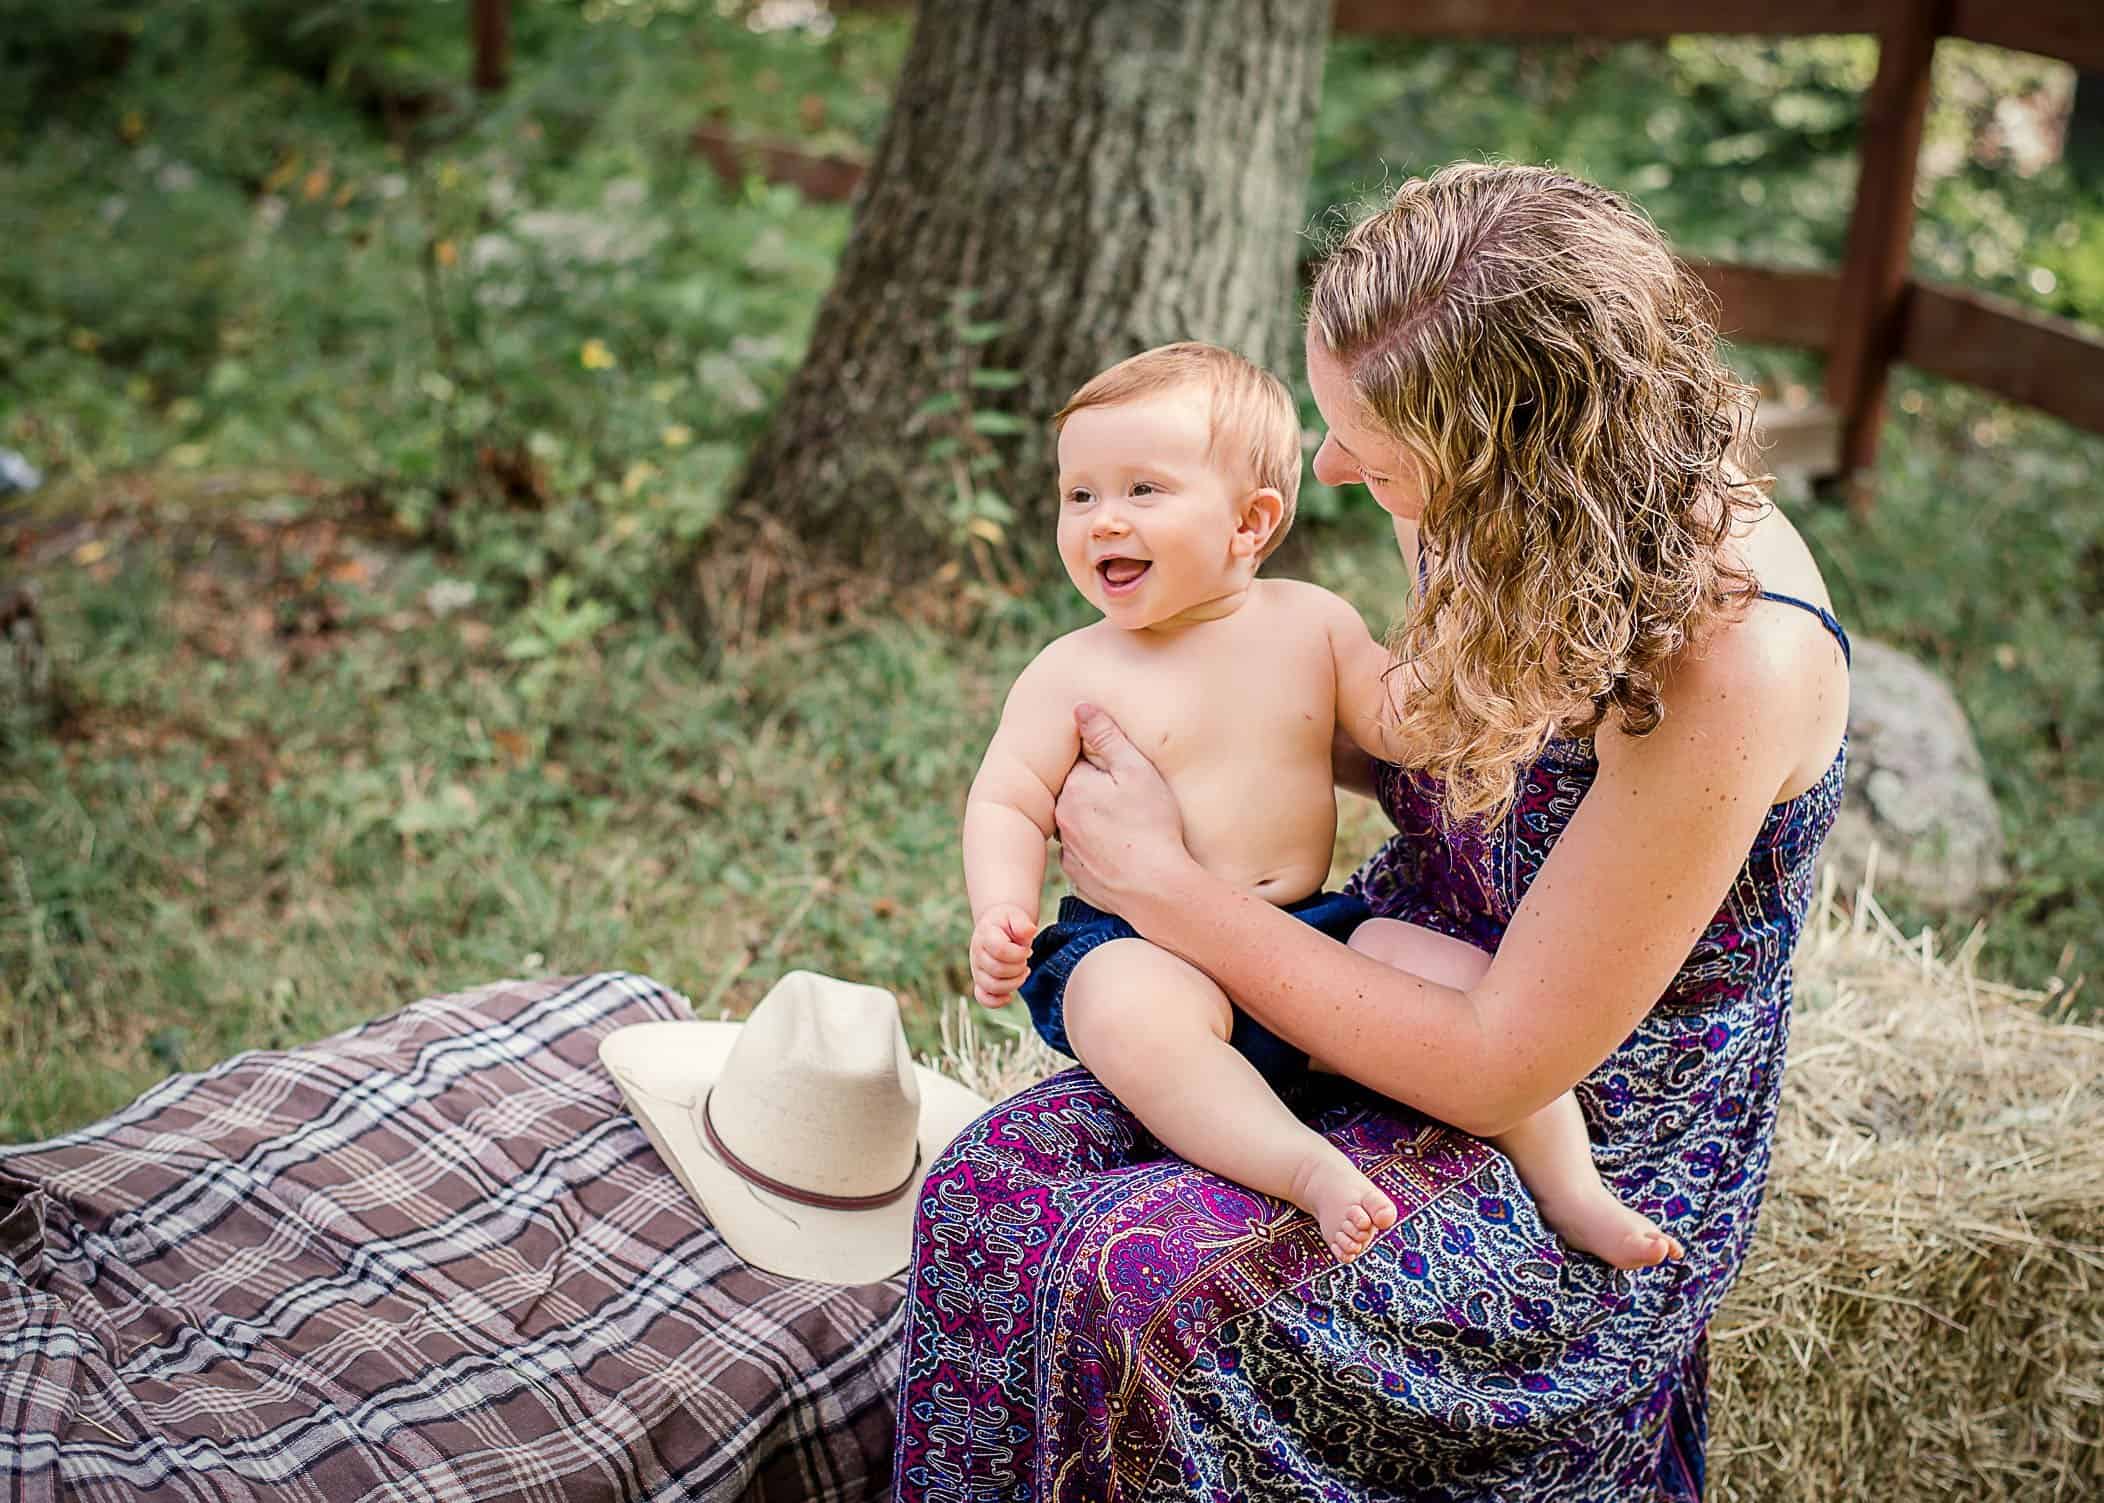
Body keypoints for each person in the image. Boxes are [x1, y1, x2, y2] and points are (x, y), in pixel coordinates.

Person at [895, 162, 1851, 1501]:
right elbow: (1415, 740)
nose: (1336, 468)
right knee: (992, 1187)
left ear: (1526, 453)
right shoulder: (1505, 513)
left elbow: (1498, 1060)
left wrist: (1164, 882)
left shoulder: (1735, 668)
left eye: (1375, 450)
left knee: (1150, 1283)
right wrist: (1208, 728)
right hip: (1373, 954)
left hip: (1574, 1097)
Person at [964, 340, 1680, 1268]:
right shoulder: (1072, 670)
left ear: (1251, 521)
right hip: (1147, 944)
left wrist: (1487, 635)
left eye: (1143, 490)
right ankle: (1298, 1163)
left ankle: (1574, 1190)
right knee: (1120, 1007)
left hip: (1311, 932)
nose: (1102, 521)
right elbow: (1007, 800)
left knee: (1462, 981)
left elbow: (1408, 724)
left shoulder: (1313, 624)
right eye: (1080, 495)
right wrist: (1002, 908)